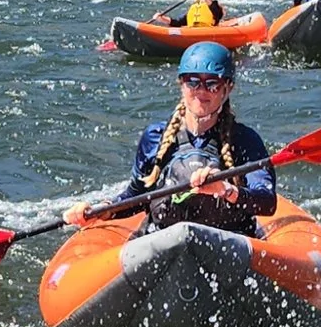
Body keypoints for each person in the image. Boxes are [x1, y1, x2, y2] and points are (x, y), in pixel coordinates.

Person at [69, 42, 277, 239]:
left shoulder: (245, 140)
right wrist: (102, 210)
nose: (201, 91)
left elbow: (267, 202)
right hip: (164, 239)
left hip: (227, 241)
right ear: (182, 84)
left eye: (212, 83)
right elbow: (137, 195)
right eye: (193, 82)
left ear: (227, 87)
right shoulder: (155, 136)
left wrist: (226, 190)